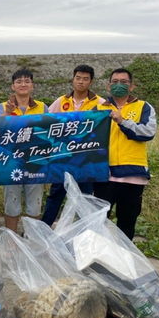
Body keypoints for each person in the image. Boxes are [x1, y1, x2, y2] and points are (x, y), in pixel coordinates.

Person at [93, 68, 157, 240]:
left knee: (127, 223)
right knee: (98, 223)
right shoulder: (98, 108)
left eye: (124, 82)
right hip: (104, 175)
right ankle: (97, 259)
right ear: (108, 86)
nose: (118, 85)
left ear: (132, 86)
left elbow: (147, 133)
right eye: (115, 82)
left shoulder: (144, 107)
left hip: (133, 175)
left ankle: (124, 261)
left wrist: (122, 121)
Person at [41, 65, 103, 226]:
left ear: (91, 82)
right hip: (63, 158)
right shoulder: (61, 101)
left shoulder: (100, 103)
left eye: (85, 79)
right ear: (72, 79)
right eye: (78, 78)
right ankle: (45, 229)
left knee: (85, 197)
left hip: (87, 160)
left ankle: (86, 233)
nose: (81, 82)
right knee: (56, 195)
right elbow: (47, 123)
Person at [0, 69, 48, 233]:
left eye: (27, 81)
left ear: (32, 85)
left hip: (35, 162)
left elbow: (50, 132)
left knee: (35, 204)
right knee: (12, 203)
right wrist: (7, 114)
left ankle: (32, 238)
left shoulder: (42, 107)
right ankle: (12, 240)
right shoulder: (2, 106)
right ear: (13, 86)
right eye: (19, 81)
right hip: (11, 162)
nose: (23, 84)